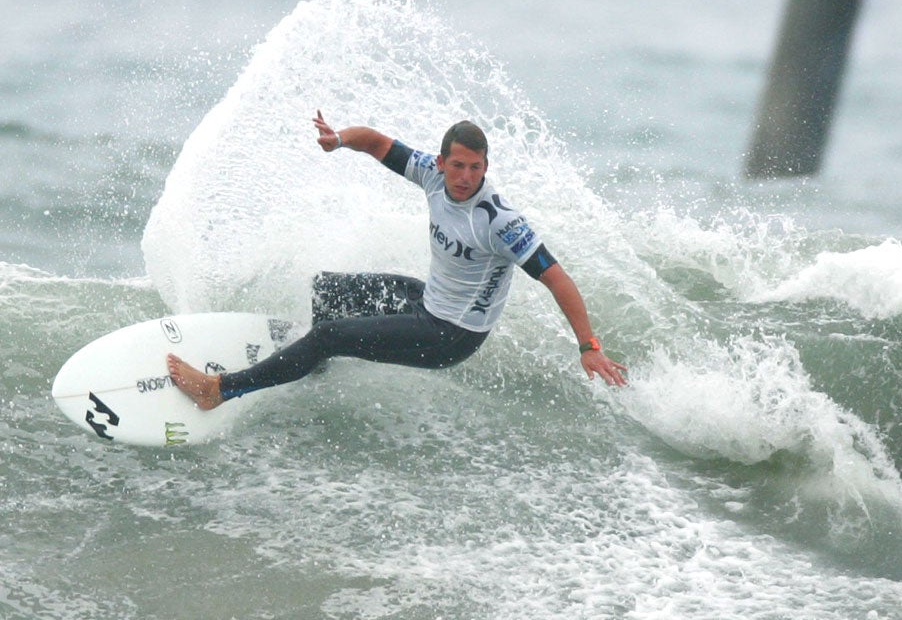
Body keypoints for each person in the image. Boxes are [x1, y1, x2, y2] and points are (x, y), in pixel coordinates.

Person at [167, 111, 627, 410]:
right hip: (429, 303)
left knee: (327, 334)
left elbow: (557, 278)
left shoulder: (499, 221)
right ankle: (314, 367)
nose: (466, 177)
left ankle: (219, 390)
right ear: (443, 162)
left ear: (486, 167)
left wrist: (588, 346)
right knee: (328, 288)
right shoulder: (430, 173)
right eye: (458, 166)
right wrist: (339, 139)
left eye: (476, 168)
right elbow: (376, 142)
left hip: (452, 336)